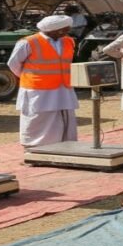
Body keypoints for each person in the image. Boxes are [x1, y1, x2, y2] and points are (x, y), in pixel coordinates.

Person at [7, 15, 79, 147]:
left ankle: (63, 145)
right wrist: (29, 77)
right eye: (65, 29)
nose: (67, 32)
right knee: (38, 118)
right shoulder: (28, 42)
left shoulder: (68, 41)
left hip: (63, 88)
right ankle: (34, 146)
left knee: (63, 117)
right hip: (38, 89)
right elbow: (13, 64)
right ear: (56, 30)